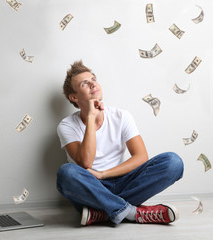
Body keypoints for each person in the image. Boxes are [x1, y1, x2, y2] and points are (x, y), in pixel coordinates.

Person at [56, 60, 184, 226]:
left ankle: (103, 212)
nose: (92, 84)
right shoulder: (66, 126)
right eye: (84, 83)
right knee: (66, 174)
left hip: (123, 181)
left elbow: (141, 156)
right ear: (74, 97)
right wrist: (90, 117)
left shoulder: (121, 116)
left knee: (173, 162)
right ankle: (133, 213)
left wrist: (104, 174)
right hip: (91, 187)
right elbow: (85, 162)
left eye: (93, 79)